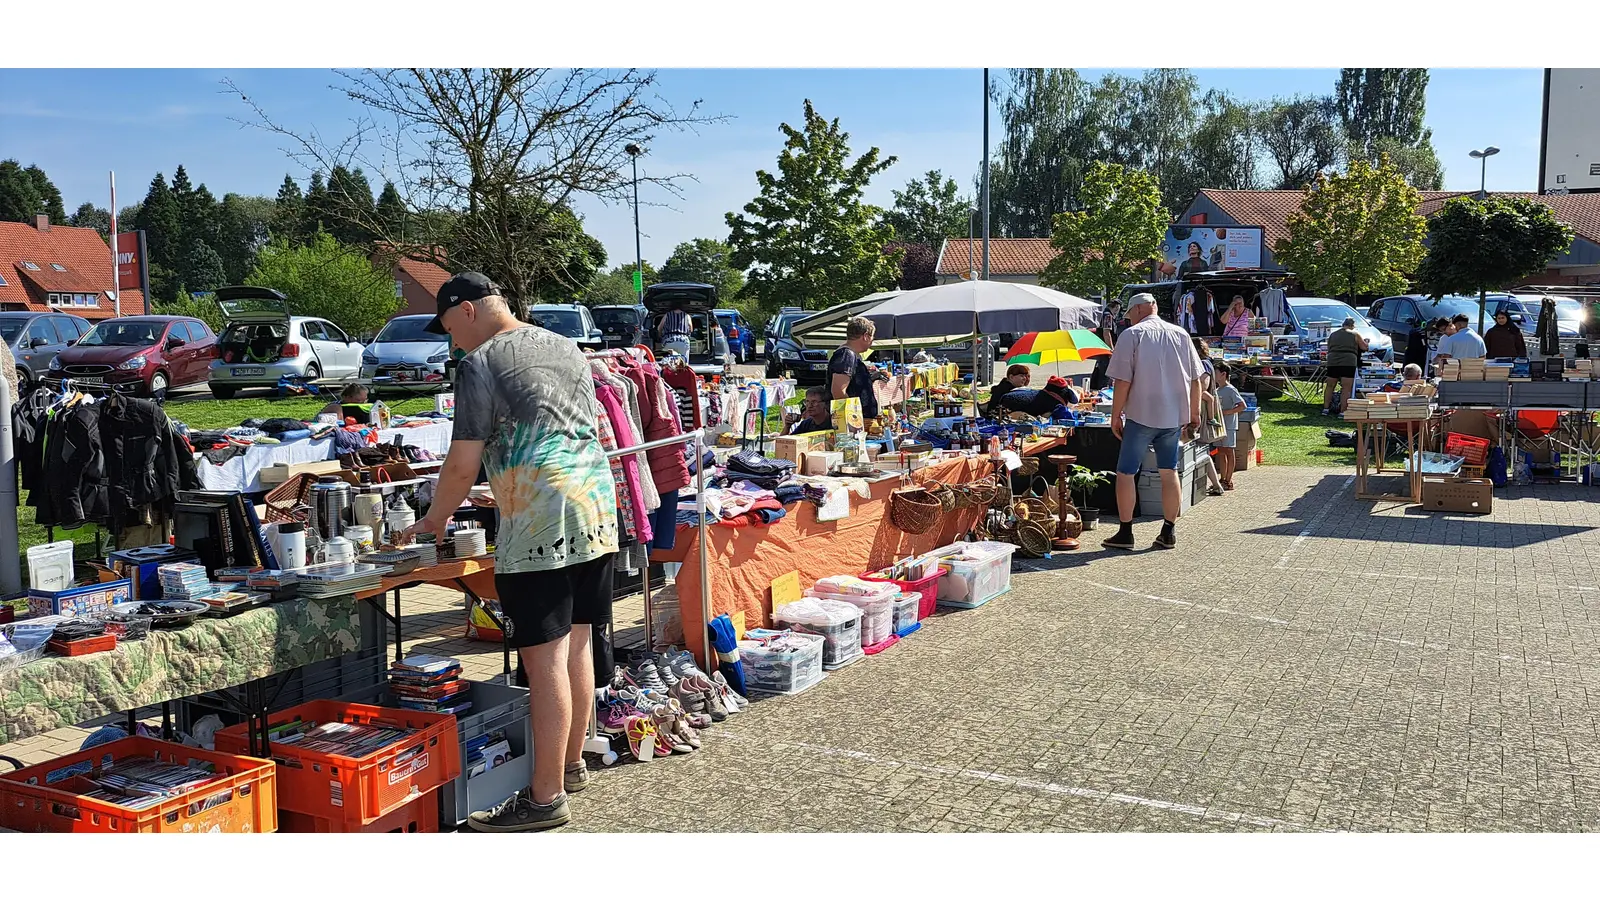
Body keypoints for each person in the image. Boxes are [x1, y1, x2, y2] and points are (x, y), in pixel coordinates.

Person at [400, 272, 619, 832]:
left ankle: (543, 800)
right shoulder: (568, 346)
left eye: (449, 328)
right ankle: (569, 767)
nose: (451, 342)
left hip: (540, 523)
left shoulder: (480, 362)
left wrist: (433, 520)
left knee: (542, 664)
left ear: (468, 310)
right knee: (577, 643)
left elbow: (461, 461)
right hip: (595, 506)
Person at [1102, 293, 1203, 551]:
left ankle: (1126, 532)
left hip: (1141, 415)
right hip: (1172, 417)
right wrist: (1195, 413)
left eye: (1130, 314)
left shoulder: (1132, 335)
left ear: (1137, 310)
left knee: (1125, 473)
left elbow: (1122, 381)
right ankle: (1168, 531)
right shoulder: (1180, 334)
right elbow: (1197, 378)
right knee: (1169, 472)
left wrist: (1116, 415)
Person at [828, 316, 885, 422]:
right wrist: (855, 420)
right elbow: (838, 391)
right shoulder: (846, 354)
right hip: (854, 424)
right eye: (872, 337)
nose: (872, 340)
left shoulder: (849, 354)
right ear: (866, 336)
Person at [1189, 335, 1226, 497]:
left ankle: (1215, 484)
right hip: (1203, 409)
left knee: (1201, 449)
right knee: (1201, 449)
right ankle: (1215, 484)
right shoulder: (1207, 364)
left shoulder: (1203, 365)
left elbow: (1203, 389)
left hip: (1202, 410)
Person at [1322, 317, 1369, 416]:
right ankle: (1342, 412)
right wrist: (1366, 342)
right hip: (1348, 361)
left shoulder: (1333, 334)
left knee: (1330, 385)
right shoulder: (1355, 334)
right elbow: (1364, 347)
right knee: (1346, 387)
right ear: (1352, 326)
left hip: (1333, 360)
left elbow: (1329, 347)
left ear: (1343, 324)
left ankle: (1325, 409)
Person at [1214, 363, 1246, 491]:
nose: (1214, 376)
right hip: (1219, 425)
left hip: (1229, 425)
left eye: (1216, 373)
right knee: (1220, 451)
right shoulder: (1217, 390)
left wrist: (1226, 412)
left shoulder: (1231, 389)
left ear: (1223, 374)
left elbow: (1242, 406)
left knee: (1229, 450)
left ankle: (1229, 479)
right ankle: (1222, 479)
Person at [990, 374, 1078, 417]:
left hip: (1003, 406)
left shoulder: (1042, 395)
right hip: (1011, 410)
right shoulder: (1052, 404)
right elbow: (1046, 415)